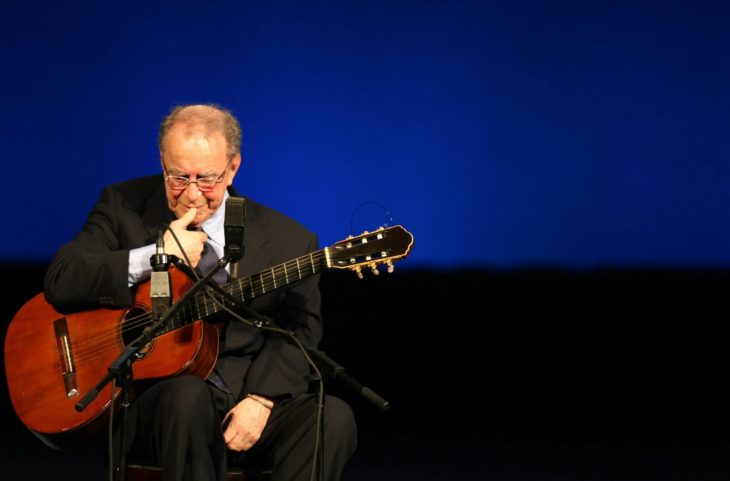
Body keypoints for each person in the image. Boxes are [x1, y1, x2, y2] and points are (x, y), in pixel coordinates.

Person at [43, 103, 358, 481]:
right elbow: (62, 278)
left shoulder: (288, 239)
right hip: (158, 401)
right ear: (162, 161)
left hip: (246, 393)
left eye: (206, 179)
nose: (191, 195)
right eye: (178, 177)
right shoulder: (122, 205)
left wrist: (261, 399)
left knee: (333, 418)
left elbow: (301, 331)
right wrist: (155, 255)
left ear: (233, 167)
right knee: (187, 398)